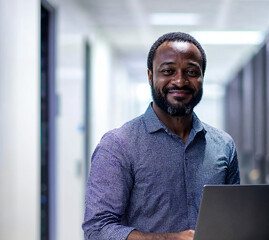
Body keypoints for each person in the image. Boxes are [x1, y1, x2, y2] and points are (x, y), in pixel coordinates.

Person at [82, 32, 240, 240]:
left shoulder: (223, 145)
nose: (180, 81)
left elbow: (235, 219)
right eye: (168, 71)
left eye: (191, 72)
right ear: (150, 76)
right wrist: (171, 239)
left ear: (202, 77)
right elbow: (97, 229)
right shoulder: (118, 145)